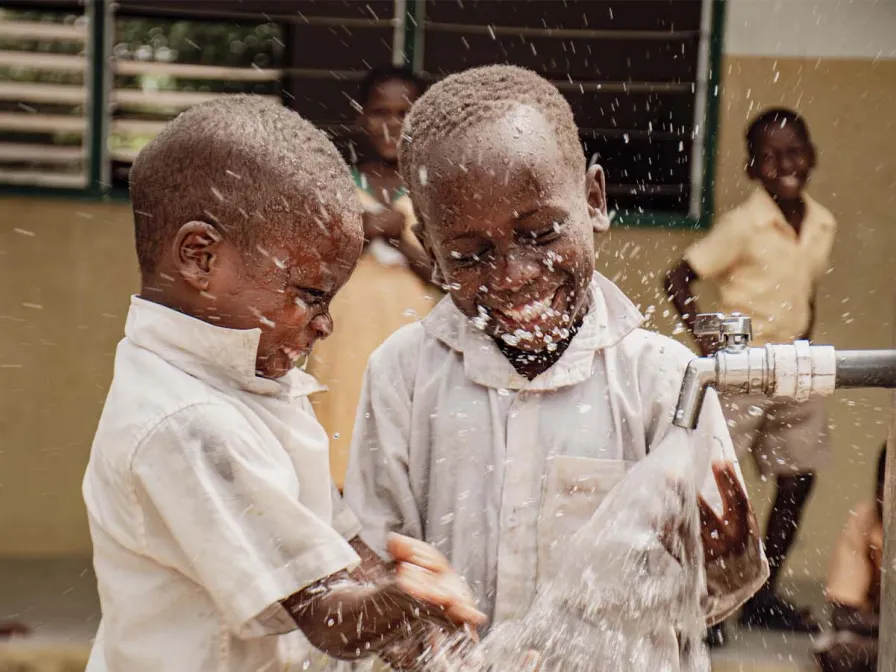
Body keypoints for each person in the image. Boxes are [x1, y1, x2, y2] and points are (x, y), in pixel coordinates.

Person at [343, 65, 768, 666]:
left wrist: (726, 571)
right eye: (470, 254)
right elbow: (378, 568)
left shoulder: (667, 381)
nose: (512, 275)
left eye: (541, 233)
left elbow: (702, 601)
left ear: (594, 200)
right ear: (433, 253)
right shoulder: (402, 375)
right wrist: (406, 618)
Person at [81, 95, 485, 672]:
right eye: (310, 295)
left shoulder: (250, 381)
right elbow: (328, 617)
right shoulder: (188, 423)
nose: (325, 325)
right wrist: (410, 600)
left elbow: (339, 555)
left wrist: (406, 610)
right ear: (200, 257)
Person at [664, 108, 837, 634]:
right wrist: (707, 341)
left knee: (798, 478)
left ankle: (763, 596)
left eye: (794, 152)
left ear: (812, 157)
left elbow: (804, 292)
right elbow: (677, 278)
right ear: (751, 168)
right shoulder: (743, 225)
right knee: (719, 483)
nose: (784, 164)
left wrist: (806, 345)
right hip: (743, 367)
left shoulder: (822, 222)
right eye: (769, 156)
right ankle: (709, 602)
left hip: (795, 365)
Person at [308, 66, 437, 488]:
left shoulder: (434, 186)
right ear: (361, 116)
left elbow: (448, 278)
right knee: (340, 421)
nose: (392, 124)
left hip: (412, 334)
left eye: (404, 113)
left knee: (407, 429)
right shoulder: (338, 185)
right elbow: (314, 270)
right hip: (345, 334)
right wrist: (360, 235)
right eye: (381, 112)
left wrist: (400, 240)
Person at [814, 445, 886, 672]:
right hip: (877, 635)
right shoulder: (865, 518)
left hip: (879, 631)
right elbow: (844, 615)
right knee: (840, 652)